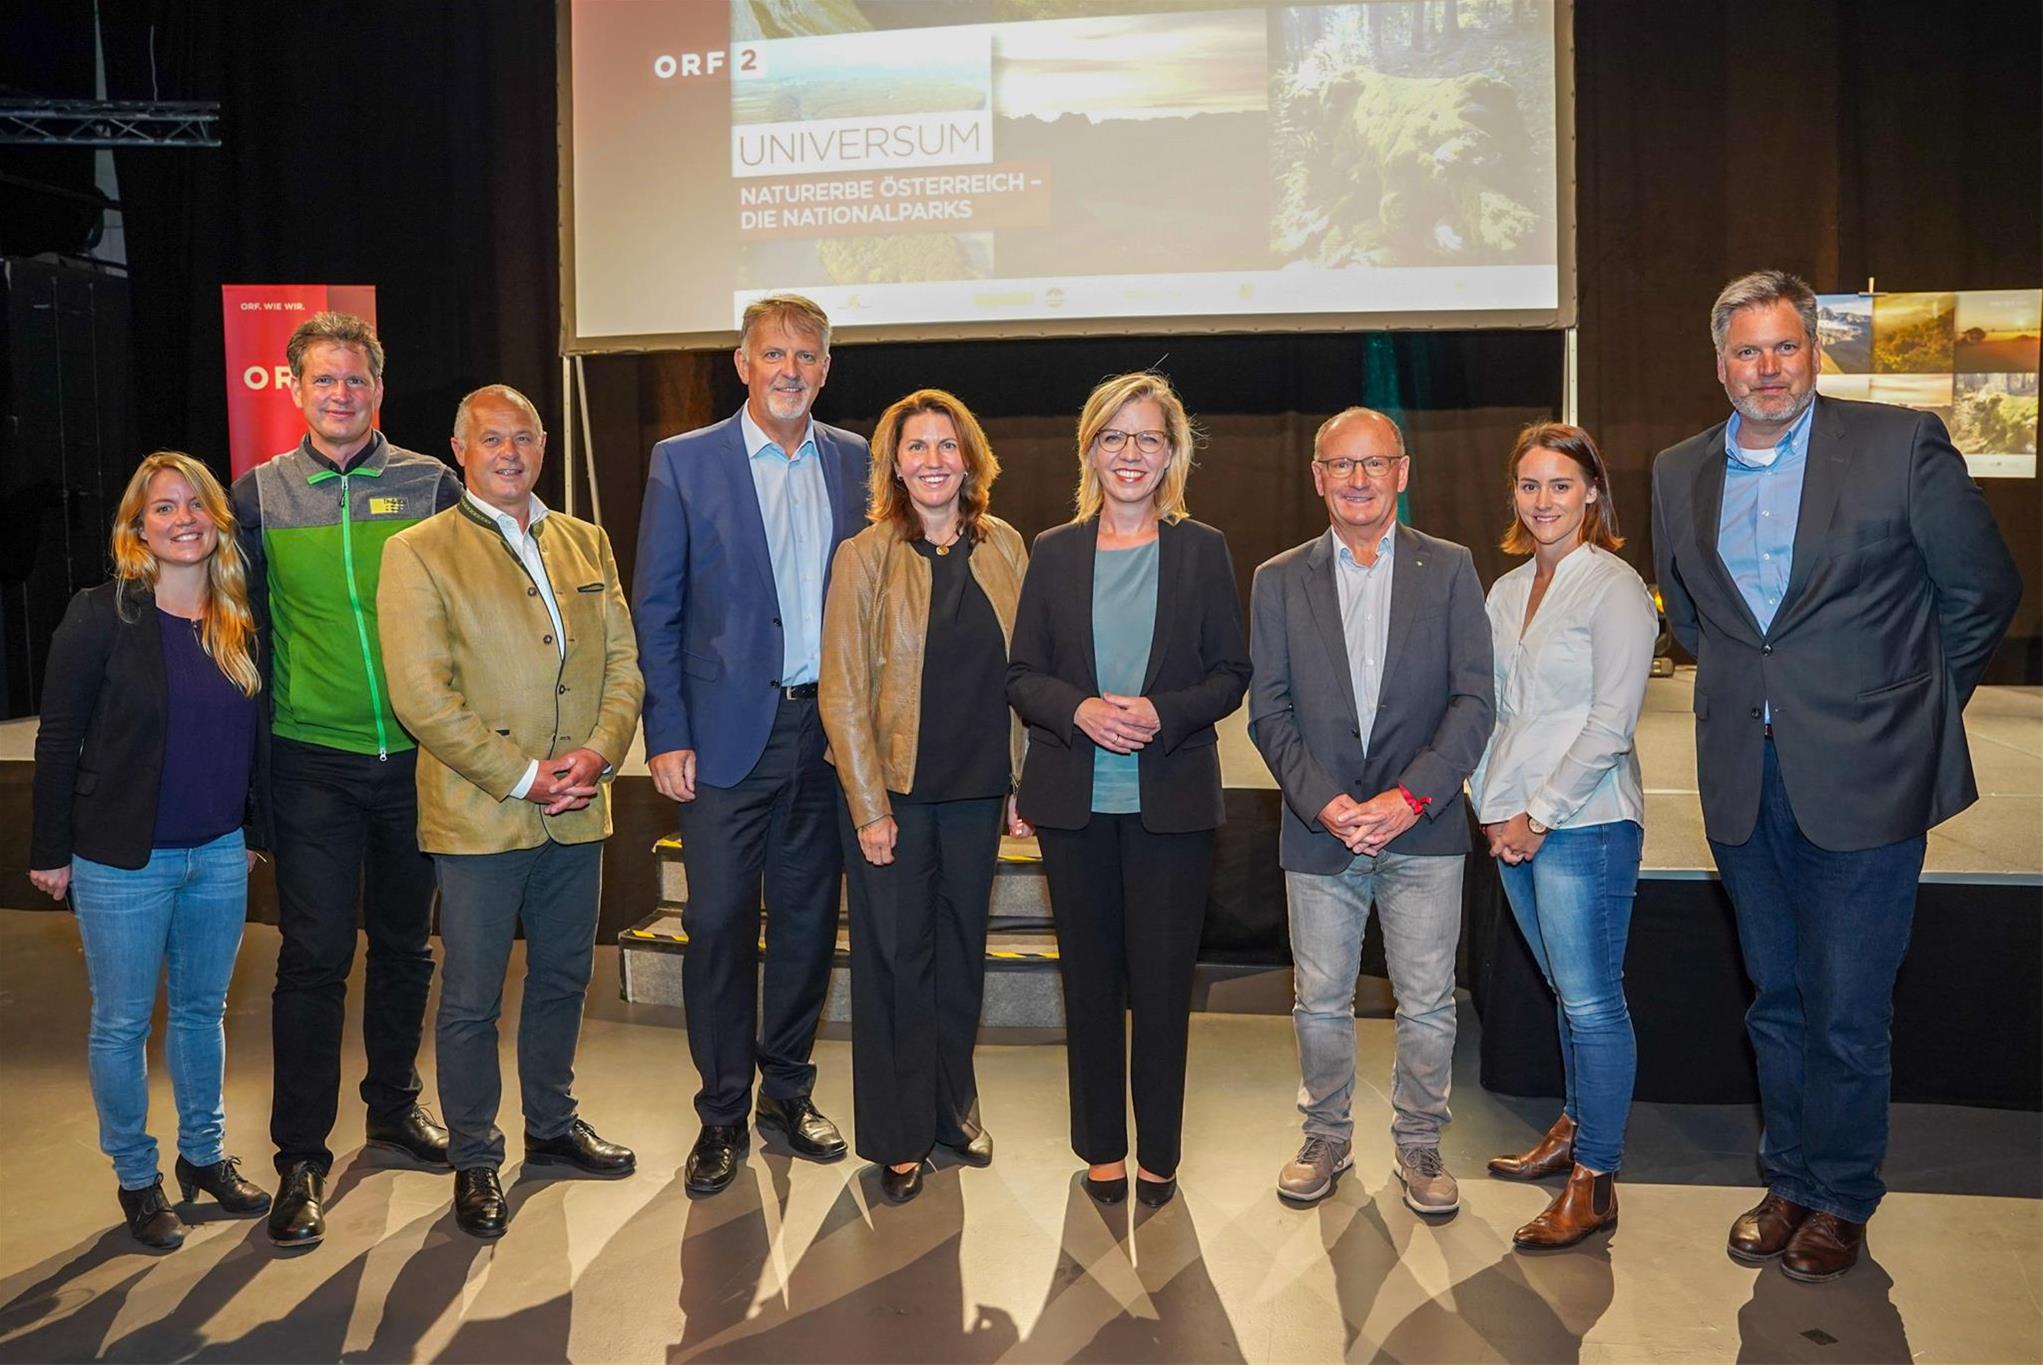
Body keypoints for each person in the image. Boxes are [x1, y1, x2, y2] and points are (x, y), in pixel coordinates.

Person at [1651, 270, 2020, 1281]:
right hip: (1741, 775)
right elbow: (1694, 619)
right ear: (1718, 360)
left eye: (1786, 348)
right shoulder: (1679, 469)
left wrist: (1911, 712)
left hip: (1869, 777)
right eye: (1746, 351)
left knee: (1848, 1006)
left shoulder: (1898, 447)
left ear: (1815, 353)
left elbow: (1981, 591)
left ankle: (1843, 1196)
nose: (1767, 370)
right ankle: (1788, 1178)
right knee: (1776, 997)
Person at [378, 385, 645, 1239]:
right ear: (459, 449)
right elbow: (421, 696)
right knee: (471, 998)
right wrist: (526, 775)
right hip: (482, 814)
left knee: (565, 978)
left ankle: (554, 1126)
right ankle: (474, 1156)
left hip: (579, 809)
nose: (509, 451)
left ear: (542, 446)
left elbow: (624, 665)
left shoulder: (585, 539)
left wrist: (598, 754)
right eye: (491, 438)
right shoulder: (418, 551)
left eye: (523, 436)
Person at [633, 294, 872, 1194]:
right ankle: (722, 1112)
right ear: (742, 363)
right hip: (726, 739)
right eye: (772, 353)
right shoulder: (684, 462)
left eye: (805, 355)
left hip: (827, 735)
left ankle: (788, 1092)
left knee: (810, 926)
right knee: (720, 926)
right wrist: (668, 731)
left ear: (824, 368)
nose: (789, 370)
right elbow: (655, 608)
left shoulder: (854, 461)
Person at [232, 312, 462, 1246]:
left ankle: (395, 1103)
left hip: (416, 758)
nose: (340, 395)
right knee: (313, 958)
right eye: (323, 381)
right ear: (293, 390)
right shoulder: (255, 495)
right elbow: (234, 626)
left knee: (408, 947)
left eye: (355, 381)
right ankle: (301, 1158)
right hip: (310, 760)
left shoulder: (429, 483)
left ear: (377, 384)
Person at [1007, 371, 1250, 1210]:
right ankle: (1101, 1150)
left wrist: (1160, 711)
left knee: (1159, 990)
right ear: (1090, 450)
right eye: (1114, 437)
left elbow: (1230, 673)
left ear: (1171, 452)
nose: (1130, 454)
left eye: (1147, 438)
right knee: (1089, 988)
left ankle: (1160, 1155)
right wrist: (1078, 710)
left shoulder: (1203, 549)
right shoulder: (1052, 551)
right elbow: (1022, 674)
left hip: (1170, 809)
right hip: (1074, 807)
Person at [1247, 407, 1493, 1215]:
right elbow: (1269, 712)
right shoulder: (1278, 577)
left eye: (1373, 463)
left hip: (1422, 827)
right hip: (1320, 832)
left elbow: (1472, 701)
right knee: (1319, 1000)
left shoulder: (1451, 567)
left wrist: (1406, 797)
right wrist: (1326, 803)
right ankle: (1325, 1135)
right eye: (1340, 465)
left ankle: (1419, 1144)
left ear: (1402, 471)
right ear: (1316, 476)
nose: (1357, 479)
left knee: (1424, 1001)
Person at [30, 452, 274, 1249]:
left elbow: (250, 740)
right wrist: (51, 848)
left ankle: (202, 1156)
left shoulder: (239, 617)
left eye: (194, 504)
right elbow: (60, 737)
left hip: (218, 854)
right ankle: (137, 1177)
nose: (182, 519)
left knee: (205, 1012)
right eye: (162, 509)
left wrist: (248, 834)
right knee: (123, 1023)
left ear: (216, 518)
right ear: (138, 529)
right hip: (120, 860)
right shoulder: (100, 614)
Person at [818, 389, 1031, 1205]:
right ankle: (898, 1134)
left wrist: (1022, 778)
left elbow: (1027, 673)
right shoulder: (863, 555)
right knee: (896, 967)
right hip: (893, 802)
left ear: (969, 459)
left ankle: (951, 1109)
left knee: (960, 964)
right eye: (918, 447)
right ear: (894, 463)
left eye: (949, 445)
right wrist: (869, 806)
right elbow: (840, 691)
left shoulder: (1006, 546)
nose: (935, 460)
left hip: (979, 795)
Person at [1469, 422, 1657, 1250]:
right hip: (1510, 823)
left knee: (1590, 1002)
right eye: (1528, 485)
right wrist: (1488, 805)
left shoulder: (1613, 586)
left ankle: (1596, 1179)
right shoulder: (1506, 591)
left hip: (1584, 822)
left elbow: (1610, 723)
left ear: (1590, 493)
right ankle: (1574, 1130)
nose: (1542, 500)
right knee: (1566, 998)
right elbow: (1493, 712)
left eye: (1559, 484)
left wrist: (1536, 814)